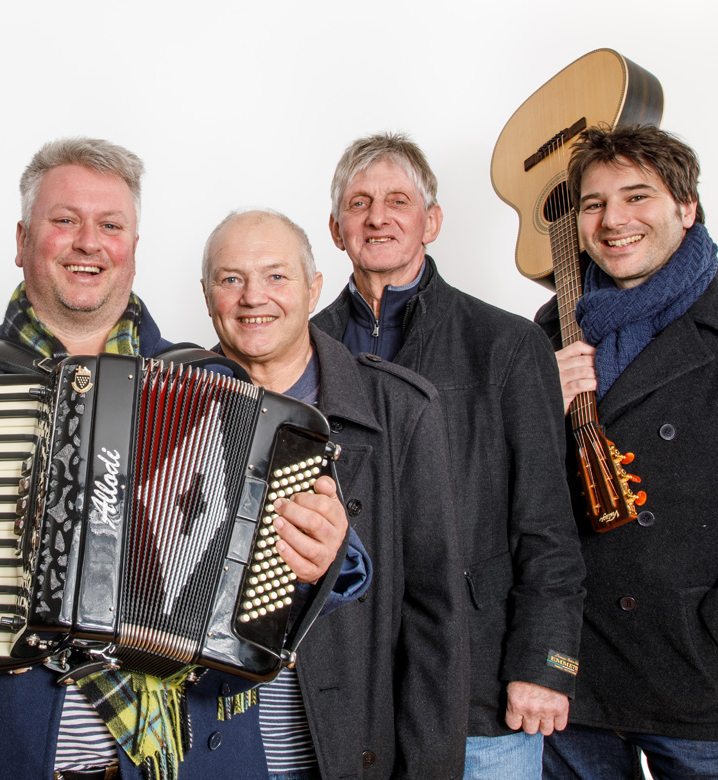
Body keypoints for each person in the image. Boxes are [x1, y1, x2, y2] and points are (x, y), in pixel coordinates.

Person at [0, 138, 361, 779]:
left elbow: (339, 564)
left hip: (191, 762)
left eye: (111, 225)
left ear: (132, 246)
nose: (88, 242)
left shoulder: (220, 386)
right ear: (21, 241)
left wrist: (327, 552)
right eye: (64, 220)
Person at [313, 132, 587, 779]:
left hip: (481, 682)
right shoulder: (303, 350)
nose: (377, 217)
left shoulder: (508, 345)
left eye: (398, 201)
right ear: (335, 228)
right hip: (343, 683)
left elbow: (548, 523)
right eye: (359, 203)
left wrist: (543, 662)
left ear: (430, 221)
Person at [201, 208, 465, 778]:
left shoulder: (401, 410)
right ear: (206, 294)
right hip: (203, 748)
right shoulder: (165, 405)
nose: (254, 298)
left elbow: (434, 619)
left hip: (339, 749)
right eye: (230, 279)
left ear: (314, 288)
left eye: (276, 276)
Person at [538, 124, 718, 779]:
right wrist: (539, 410)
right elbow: (516, 499)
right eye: (593, 204)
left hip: (699, 679)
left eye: (637, 196)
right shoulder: (550, 328)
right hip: (576, 675)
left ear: (686, 207)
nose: (614, 220)